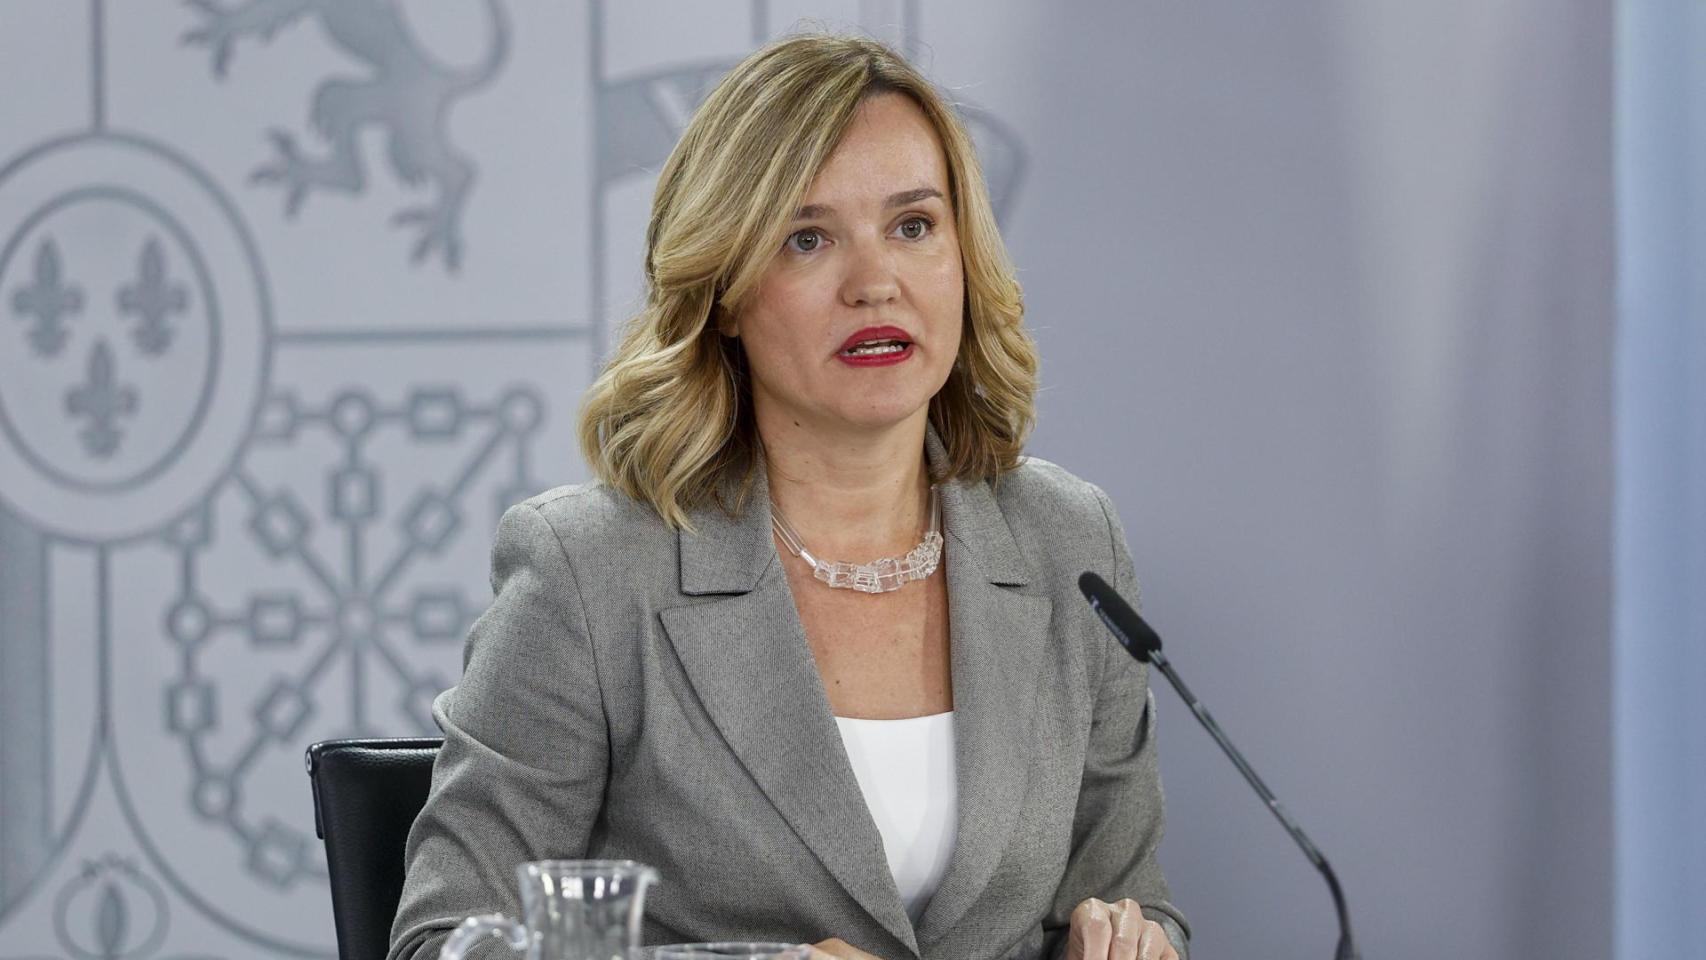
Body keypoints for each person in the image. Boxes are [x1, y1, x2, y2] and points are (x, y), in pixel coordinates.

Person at [388, 33, 1189, 960]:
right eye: (807, 239)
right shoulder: (591, 573)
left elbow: (1131, 895)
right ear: (725, 288)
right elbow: (442, 942)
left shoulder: (1068, 542)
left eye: (914, 226)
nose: (876, 283)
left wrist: (1132, 941)